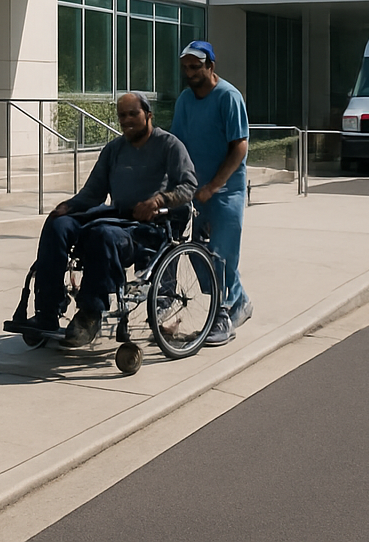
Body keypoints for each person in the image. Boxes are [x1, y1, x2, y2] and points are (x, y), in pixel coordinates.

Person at [31, 92, 197, 347]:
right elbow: (93, 193)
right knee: (58, 224)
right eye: (122, 115)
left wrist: (159, 201)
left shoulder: (169, 145)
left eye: (133, 114)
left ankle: (90, 313)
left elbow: (188, 187)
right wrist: (69, 206)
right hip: (116, 217)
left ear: (148, 115)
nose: (127, 119)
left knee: (102, 235)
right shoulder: (114, 149)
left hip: (149, 226)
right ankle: (47, 309)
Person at [171, 41, 250, 347]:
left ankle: (224, 314)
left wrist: (214, 186)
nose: (190, 73)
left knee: (221, 253)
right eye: (186, 68)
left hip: (225, 190)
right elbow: (177, 144)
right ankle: (239, 300)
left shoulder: (228, 97)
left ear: (210, 66)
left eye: (196, 67)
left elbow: (238, 147)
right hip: (196, 191)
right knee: (199, 251)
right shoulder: (185, 100)